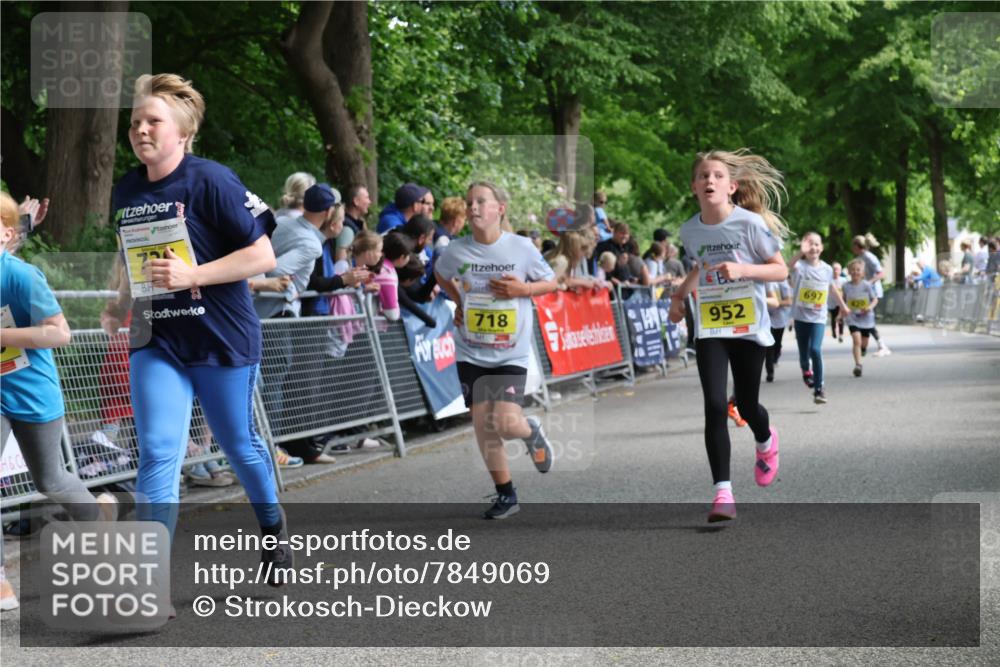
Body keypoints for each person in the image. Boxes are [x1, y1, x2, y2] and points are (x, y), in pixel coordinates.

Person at [102, 73, 291, 585]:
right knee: (160, 451)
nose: (141, 129)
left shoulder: (211, 180)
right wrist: (121, 299)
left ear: (182, 133)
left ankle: (272, 527)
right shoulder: (127, 187)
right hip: (157, 338)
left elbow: (263, 254)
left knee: (239, 445)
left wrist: (194, 276)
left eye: (152, 121)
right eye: (135, 121)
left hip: (220, 338)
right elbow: (133, 255)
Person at [1, 191, 117, 611]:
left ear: (5, 235)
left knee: (50, 480)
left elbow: (59, 333)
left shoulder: (21, 276)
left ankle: (100, 527)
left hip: (32, 392)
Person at [667, 148, 789, 523]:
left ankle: (766, 441)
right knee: (716, 406)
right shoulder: (689, 230)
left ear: (732, 186)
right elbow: (701, 268)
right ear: (693, 187)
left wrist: (743, 270)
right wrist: (678, 296)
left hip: (749, 326)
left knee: (747, 406)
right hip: (712, 327)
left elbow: (781, 271)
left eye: (718, 175)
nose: (710, 181)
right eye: (703, 176)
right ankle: (723, 493)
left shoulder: (750, 225)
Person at [434, 181, 558, 520]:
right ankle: (506, 494)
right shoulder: (456, 251)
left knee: (504, 422)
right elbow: (441, 274)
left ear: (499, 209)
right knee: (482, 423)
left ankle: (529, 430)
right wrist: (458, 300)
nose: (473, 207)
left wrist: (524, 288)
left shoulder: (520, 247)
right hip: (470, 349)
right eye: (469, 202)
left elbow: (551, 282)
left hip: (510, 352)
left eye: (481, 201)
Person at [789, 232, 850, 404]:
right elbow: (788, 266)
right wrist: (800, 252)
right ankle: (806, 371)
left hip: (818, 317)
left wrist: (843, 306)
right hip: (801, 316)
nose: (813, 247)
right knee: (803, 355)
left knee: (815, 350)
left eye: (816, 244)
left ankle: (819, 389)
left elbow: (831, 288)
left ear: (821, 248)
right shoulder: (799, 266)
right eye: (809, 244)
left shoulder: (827, 269)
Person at [851, 234, 891, 356]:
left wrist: (868, 283)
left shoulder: (869, 257)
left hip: (873, 292)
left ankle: (881, 346)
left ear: (857, 246)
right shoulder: (862, 257)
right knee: (864, 318)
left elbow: (881, 273)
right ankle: (865, 346)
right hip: (866, 293)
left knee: (868, 319)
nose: (852, 249)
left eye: (853, 246)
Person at [842, 258, 879, 377]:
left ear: (862, 273)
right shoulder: (846, 286)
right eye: (852, 270)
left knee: (864, 343)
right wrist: (840, 313)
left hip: (866, 318)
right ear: (849, 272)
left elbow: (875, 299)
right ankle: (858, 365)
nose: (855, 272)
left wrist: (869, 307)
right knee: (856, 340)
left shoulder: (867, 285)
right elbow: (843, 301)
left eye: (858, 270)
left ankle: (863, 349)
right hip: (852, 317)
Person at [763, 279, 793, 382]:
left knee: (777, 344)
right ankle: (770, 372)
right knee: (769, 346)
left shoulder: (782, 283)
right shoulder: (762, 281)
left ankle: (776, 357)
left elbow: (789, 301)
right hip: (766, 319)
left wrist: (774, 302)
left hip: (780, 317)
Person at [828, 261, 846, 343]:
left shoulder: (844, 281)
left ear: (840, 270)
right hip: (831, 303)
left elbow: (846, 292)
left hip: (841, 303)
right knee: (833, 318)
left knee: (841, 318)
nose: (835, 271)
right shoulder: (828, 280)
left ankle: (841, 334)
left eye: (837, 269)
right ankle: (834, 331)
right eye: (834, 269)